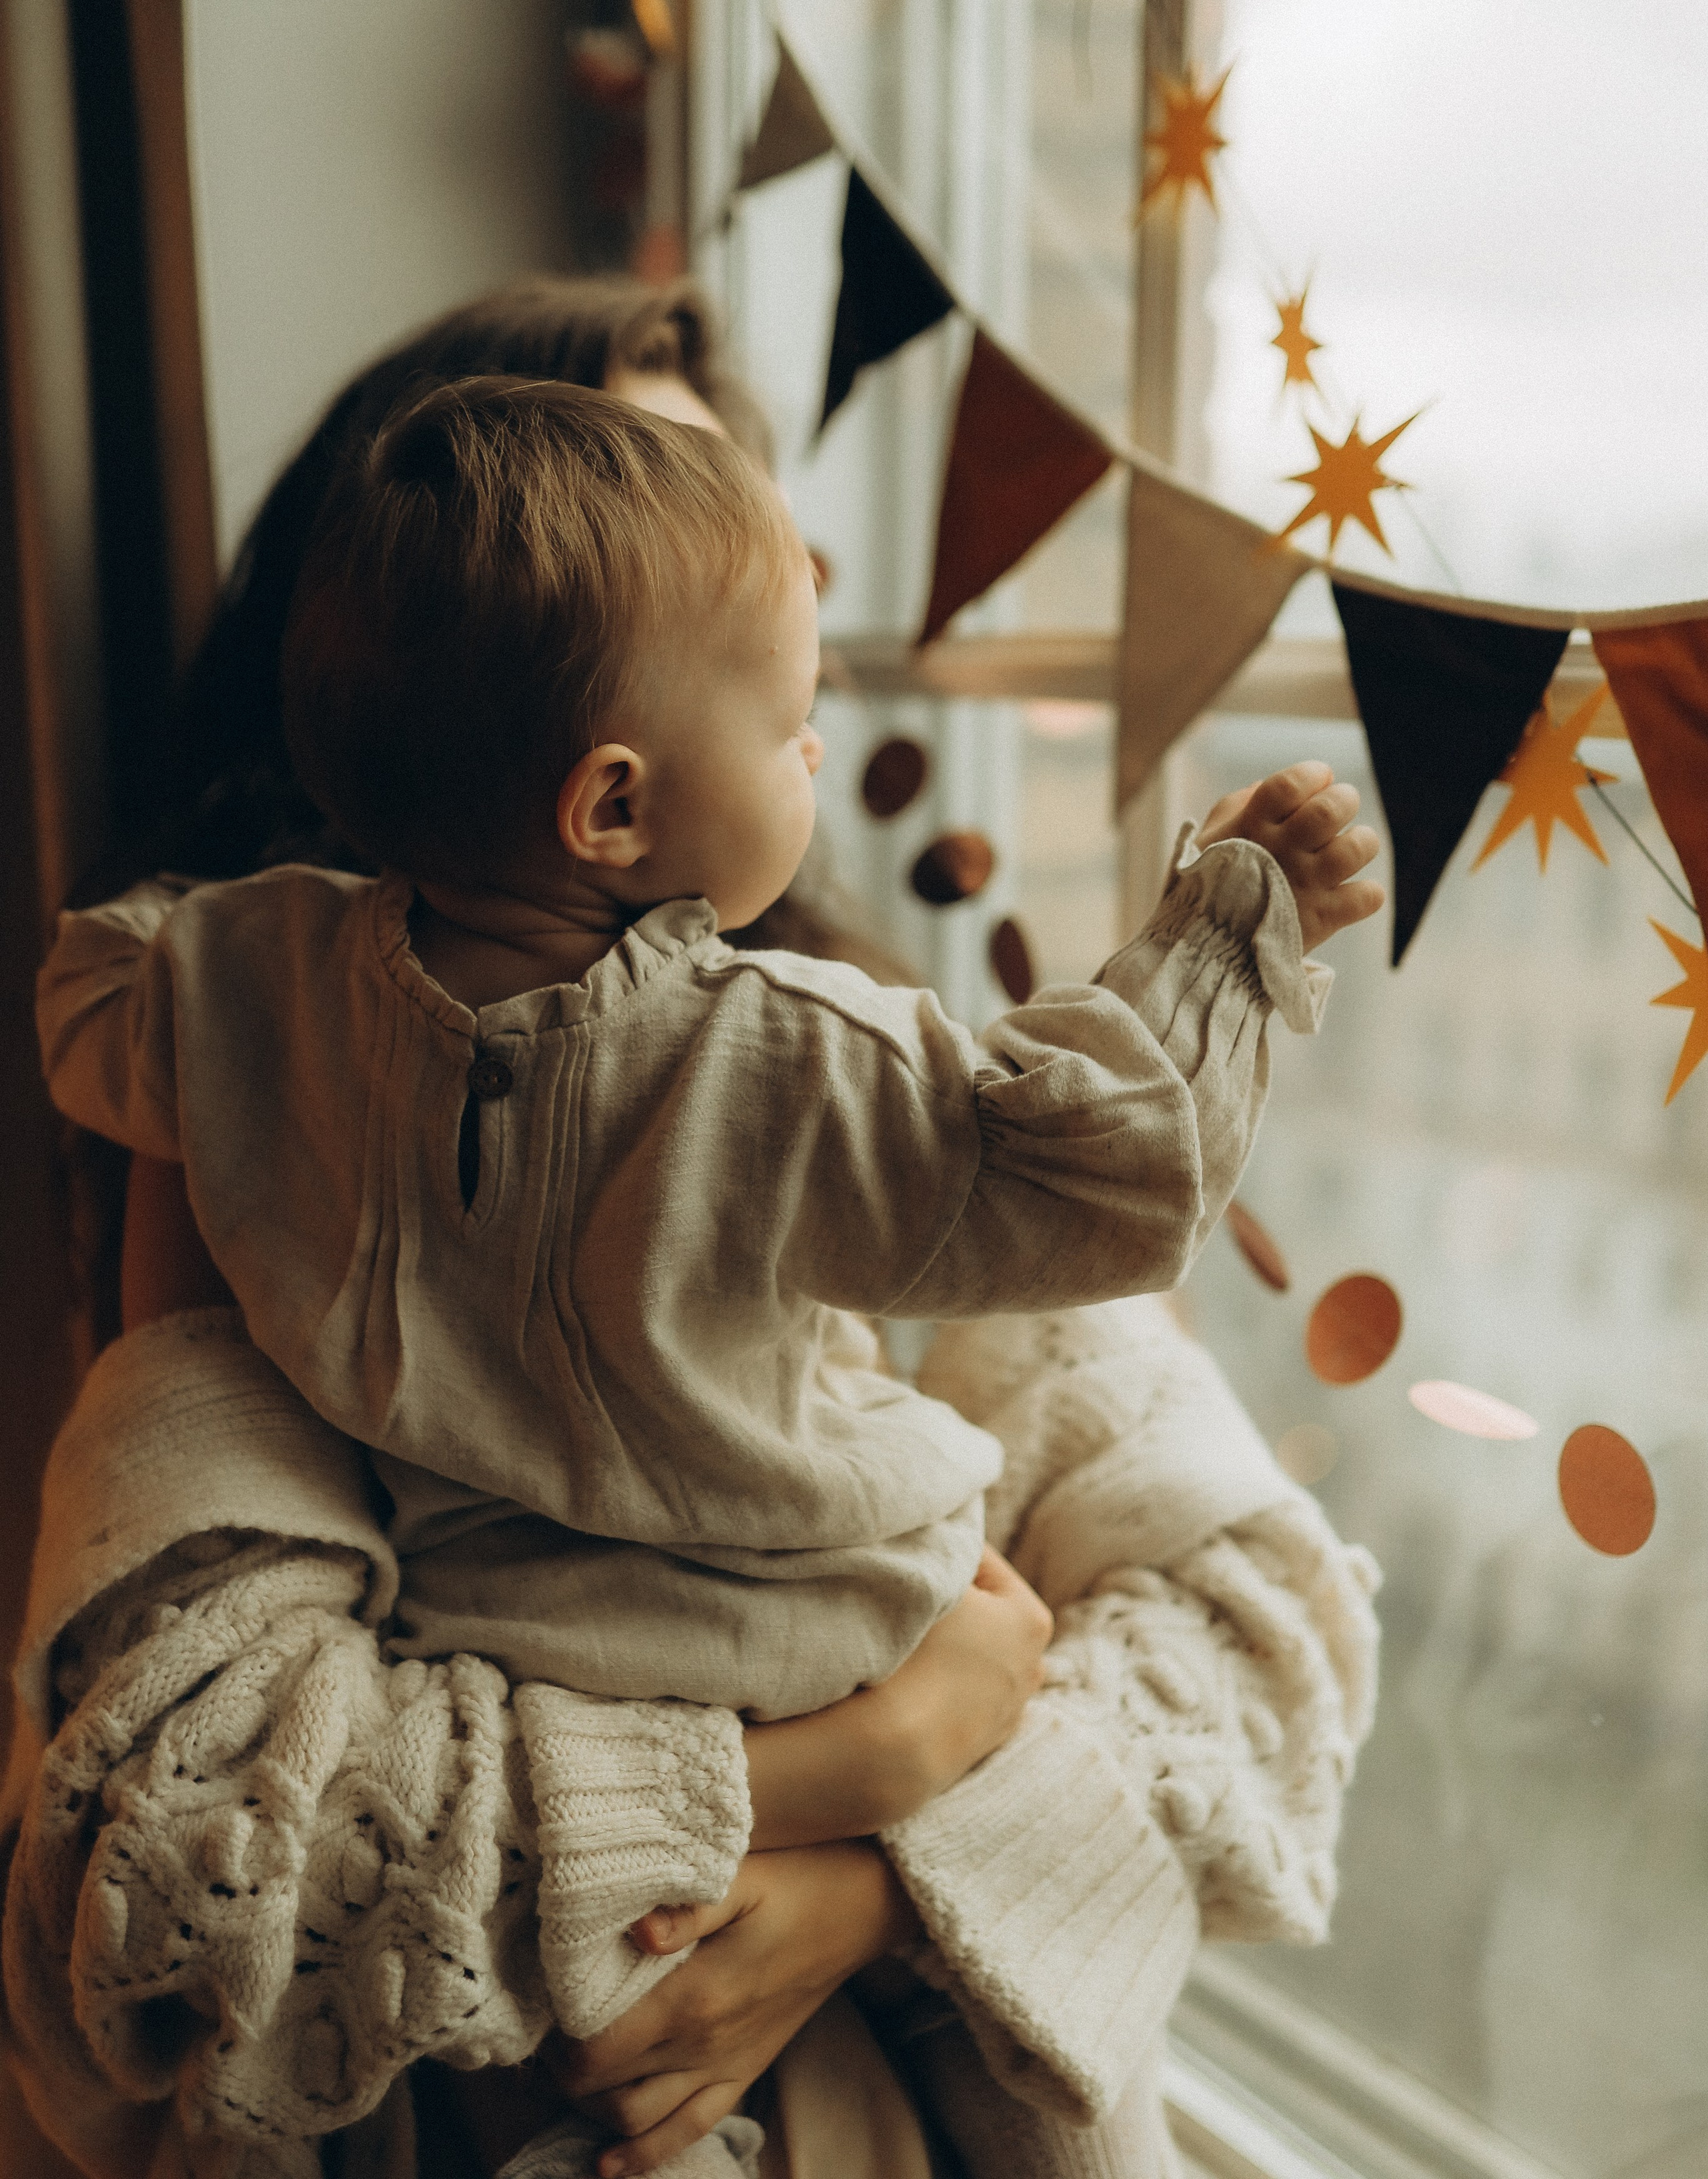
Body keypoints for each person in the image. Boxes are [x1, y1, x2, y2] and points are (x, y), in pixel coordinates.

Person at [5, 276, 1382, 2179]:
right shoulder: (272, 1105)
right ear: (594, 774)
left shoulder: (838, 1058)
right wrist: (855, 1764)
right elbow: (219, 1824)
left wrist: (885, 1882)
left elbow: (1249, 1629)